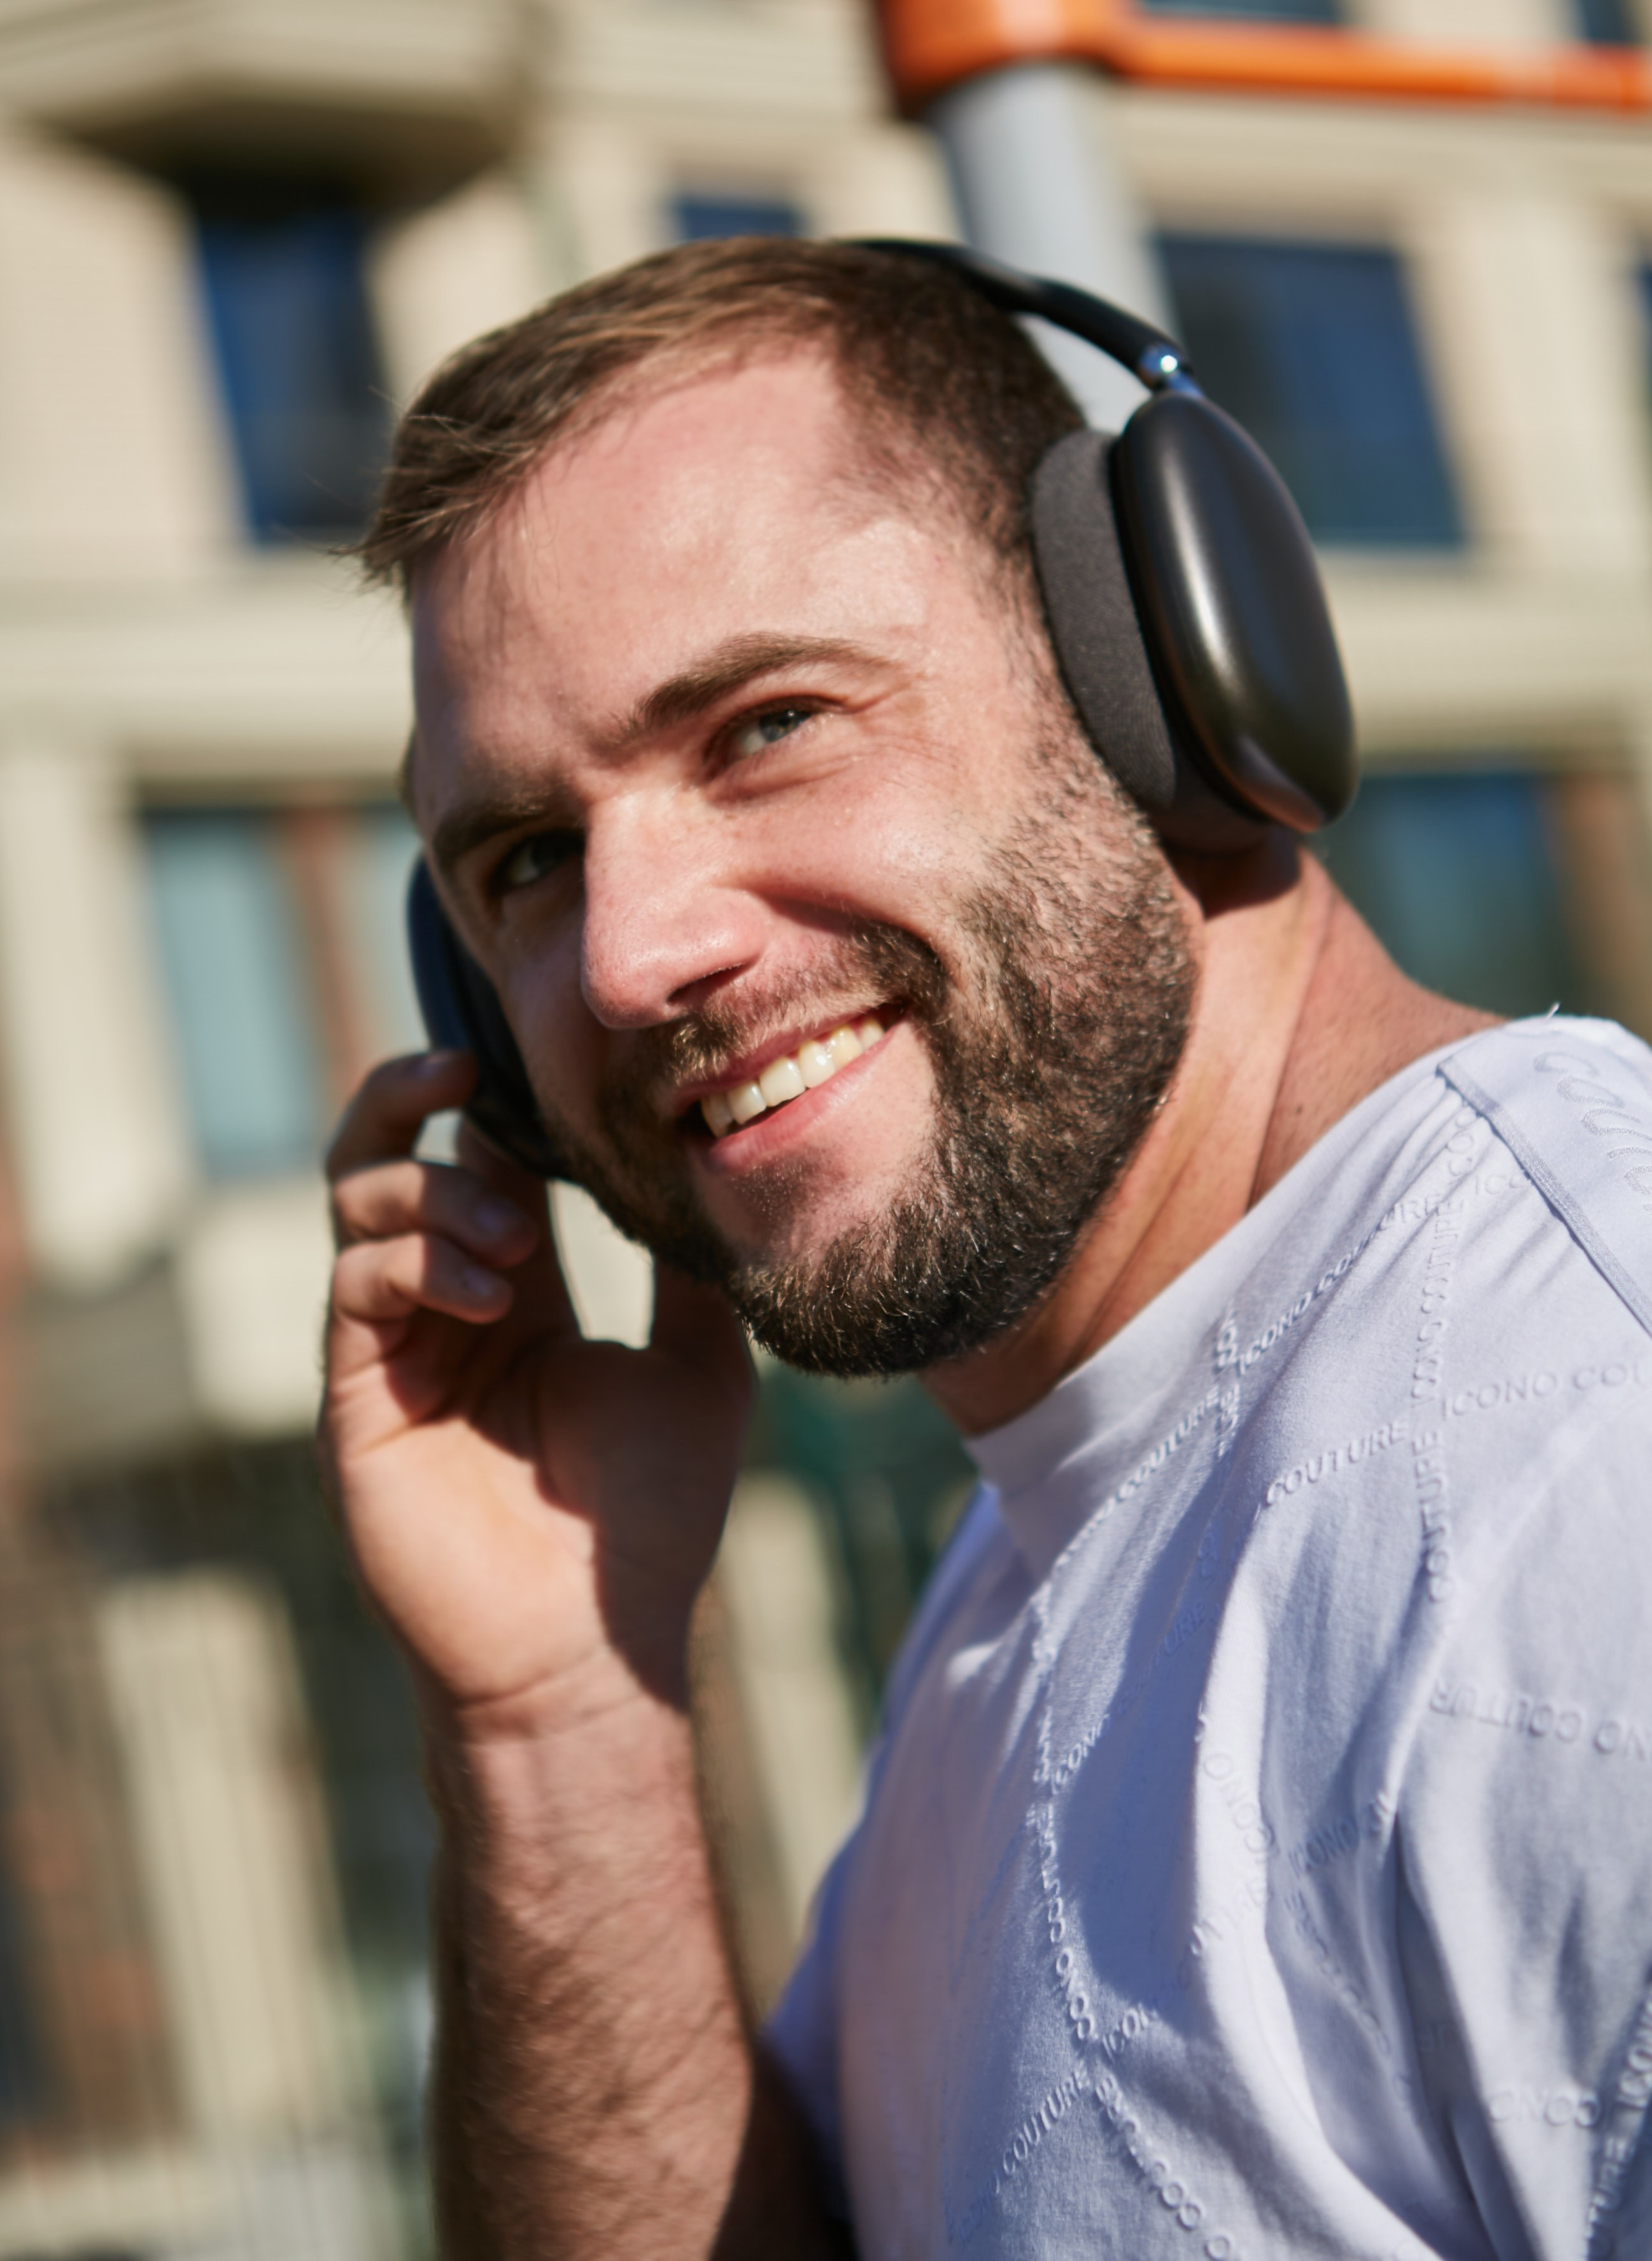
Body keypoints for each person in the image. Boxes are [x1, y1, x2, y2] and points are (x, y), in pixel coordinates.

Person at [321, 239, 1652, 2260]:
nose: (626, 952)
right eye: (524, 858)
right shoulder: (1041, 1556)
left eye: (764, 726)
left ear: (1164, 666)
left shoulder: (1584, 1451)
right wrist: (552, 1725)